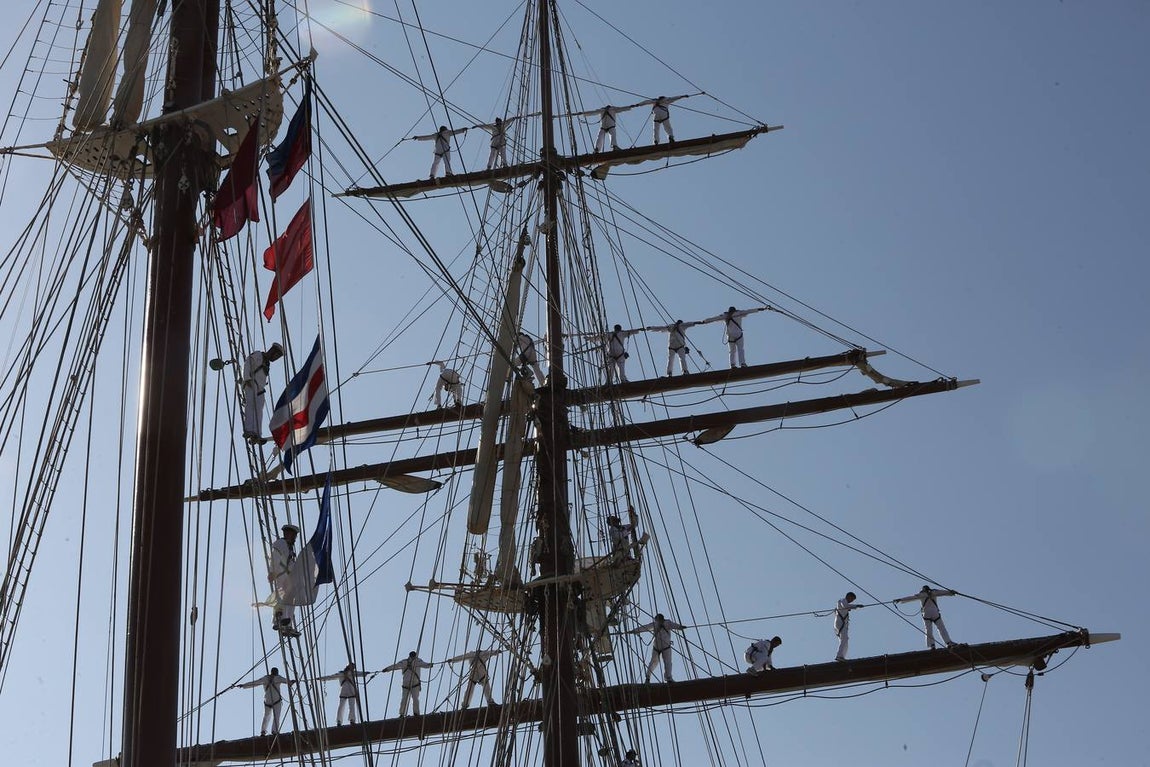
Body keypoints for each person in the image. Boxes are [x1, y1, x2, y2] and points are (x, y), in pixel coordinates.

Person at [701, 306, 769, 368]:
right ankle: (742, 363)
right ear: (735, 310)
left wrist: (704, 321)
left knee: (732, 351)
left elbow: (714, 318)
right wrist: (761, 308)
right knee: (740, 349)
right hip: (738, 334)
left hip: (730, 336)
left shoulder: (725, 315)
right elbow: (749, 311)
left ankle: (732, 365)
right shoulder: (739, 313)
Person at [241, 342, 284, 440]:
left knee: (259, 410)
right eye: (276, 355)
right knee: (250, 406)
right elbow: (248, 362)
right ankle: (248, 429)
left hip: (260, 388)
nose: (276, 358)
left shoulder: (267, 363)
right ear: (272, 351)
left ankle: (257, 433)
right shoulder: (258, 355)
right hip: (251, 383)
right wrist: (247, 378)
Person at [235, 667, 294, 736]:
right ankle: (273, 731)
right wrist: (291, 682)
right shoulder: (278, 678)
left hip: (268, 701)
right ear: (277, 672)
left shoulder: (265, 678)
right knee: (275, 716)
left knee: (267, 716)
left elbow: (254, 683)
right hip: (276, 701)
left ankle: (263, 731)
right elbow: (287, 681)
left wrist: (244, 685)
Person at [894, 585, 958, 650]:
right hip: (935, 612)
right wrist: (951, 592)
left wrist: (900, 600)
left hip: (927, 614)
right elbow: (943, 592)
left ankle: (931, 645)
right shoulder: (934, 592)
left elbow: (911, 598)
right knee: (941, 628)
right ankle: (948, 642)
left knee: (928, 630)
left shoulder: (921, 594)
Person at [629, 612, 685, 683]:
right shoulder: (654, 625)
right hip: (657, 648)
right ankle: (648, 677)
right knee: (653, 662)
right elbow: (645, 627)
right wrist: (635, 631)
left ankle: (668, 677)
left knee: (667, 662)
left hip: (666, 647)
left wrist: (680, 627)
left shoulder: (667, 623)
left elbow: (674, 625)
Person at [268, 523, 301, 637]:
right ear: (289, 533)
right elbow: (275, 557)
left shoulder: (289, 547)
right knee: (282, 597)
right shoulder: (281, 543)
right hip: (281, 574)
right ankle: (278, 619)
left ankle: (286, 623)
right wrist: (272, 572)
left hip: (289, 576)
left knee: (290, 598)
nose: (295, 538)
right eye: (294, 535)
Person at [382, 651, 433, 716]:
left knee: (413, 699)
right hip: (408, 684)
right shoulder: (407, 662)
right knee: (406, 699)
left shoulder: (415, 661)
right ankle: (404, 713)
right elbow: (395, 666)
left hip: (413, 684)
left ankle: (412, 713)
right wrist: (387, 669)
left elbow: (425, 665)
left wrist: (430, 665)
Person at [834, 591, 862, 661]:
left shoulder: (843, 602)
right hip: (840, 623)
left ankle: (842, 656)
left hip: (841, 624)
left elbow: (845, 607)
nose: (851, 601)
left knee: (845, 639)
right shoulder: (842, 600)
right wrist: (856, 606)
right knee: (844, 639)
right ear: (849, 596)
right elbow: (845, 606)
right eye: (852, 599)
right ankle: (839, 656)